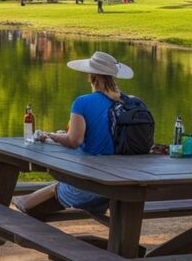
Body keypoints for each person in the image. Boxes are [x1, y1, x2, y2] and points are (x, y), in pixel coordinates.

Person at [13, 51, 135, 217]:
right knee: (62, 184)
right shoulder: (131, 102)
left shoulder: (83, 102)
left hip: (93, 189)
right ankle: (23, 202)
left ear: (90, 76)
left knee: (61, 187)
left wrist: (51, 135)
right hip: (125, 186)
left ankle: (19, 207)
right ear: (114, 77)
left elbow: (74, 140)